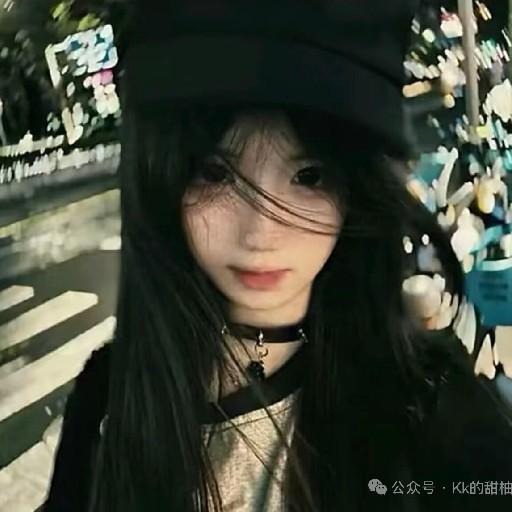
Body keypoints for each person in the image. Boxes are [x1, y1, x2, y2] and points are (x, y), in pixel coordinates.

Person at [42, 1, 512, 511]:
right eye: (216, 173)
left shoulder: (427, 403)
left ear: (355, 188)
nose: (260, 234)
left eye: (309, 176)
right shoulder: (108, 400)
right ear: (162, 179)